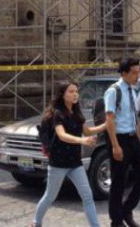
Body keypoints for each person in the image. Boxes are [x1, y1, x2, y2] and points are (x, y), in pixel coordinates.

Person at [31, 81, 107, 227]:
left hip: (75, 163)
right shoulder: (58, 114)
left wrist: (106, 125)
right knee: (50, 197)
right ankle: (36, 222)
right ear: (63, 94)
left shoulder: (76, 113)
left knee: (87, 196)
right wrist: (82, 141)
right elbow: (62, 135)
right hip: (58, 163)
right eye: (71, 91)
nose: (75, 94)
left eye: (76, 91)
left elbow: (88, 131)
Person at [104, 58, 140, 227]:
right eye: (134, 72)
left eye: (139, 72)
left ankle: (126, 209)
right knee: (119, 182)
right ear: (124, 73)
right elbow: (109, 120)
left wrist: (138, 139)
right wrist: (115, 145)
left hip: (132, 138)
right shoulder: (113, 91)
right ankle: (116, 221)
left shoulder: (132, 90)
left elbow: (134, 117)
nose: (137, 75)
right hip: (119, 139)